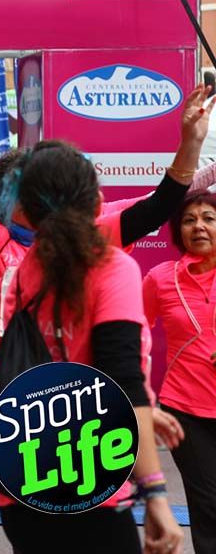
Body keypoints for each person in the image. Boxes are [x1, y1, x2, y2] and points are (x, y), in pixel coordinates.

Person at [0, 46, 185, 553]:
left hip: (32, 434)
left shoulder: (94, 241)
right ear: (91, 197)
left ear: (25, 202)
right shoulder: (8, 246)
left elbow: (162, 203)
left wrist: (194, 144)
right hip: (52, 431)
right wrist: (155, 490)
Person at [143, 192, 216, 554]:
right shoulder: (160, 279)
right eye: (189, 220)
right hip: (185, 409)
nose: (199, 226)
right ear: (178, 230)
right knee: (209, 503)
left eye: (208, 218)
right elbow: (133, 330)